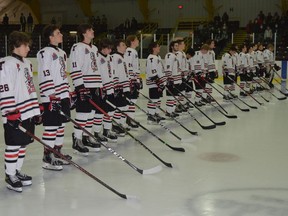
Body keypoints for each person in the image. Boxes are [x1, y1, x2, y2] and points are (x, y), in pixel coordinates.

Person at [0, 31, 41, 192]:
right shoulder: (6, 63)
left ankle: (16, 171)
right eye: (26, 45)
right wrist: (10, 112)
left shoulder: (26, 63)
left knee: (23, 144)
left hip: (28, 111)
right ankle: (10, 175)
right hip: (15, 112)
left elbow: (30, 87)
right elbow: (4, 89)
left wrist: (36, 110)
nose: (28, 48)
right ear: (17, 45)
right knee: (13, 145)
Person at [37, 25, 72, 171]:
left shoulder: (63, 53)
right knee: (51, 126)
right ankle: (47, 157)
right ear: (51, 37)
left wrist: (69, 93)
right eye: (58, 33)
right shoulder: (44, 52)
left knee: (61, 125)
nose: (61, 35)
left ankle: (57, 153)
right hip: (52, 96)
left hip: (62, 95)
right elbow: (45, 72)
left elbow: (63, 75)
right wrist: (51, 95)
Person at [69, 24, 104, 155]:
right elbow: (74, 67)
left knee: (92, 114)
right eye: (90, 30)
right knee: (83, 113)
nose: (93, 31)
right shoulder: (77, 47)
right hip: (85, 85)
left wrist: (101, 85)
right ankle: (77, 139)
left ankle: (86, 136)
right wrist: (80, 87)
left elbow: (97, 68)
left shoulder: (94, 48)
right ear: (84, 33)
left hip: (95, 85)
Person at [111, 39, 130, 133]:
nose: (125, 46)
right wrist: (116, 84)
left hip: (124, 85)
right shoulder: (115, 57)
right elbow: (113, 72)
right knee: (120, 106)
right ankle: (115, 125)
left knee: (124, 106)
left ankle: (120, 123)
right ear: (117, 47)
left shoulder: (122, 57)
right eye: (123, 45)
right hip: (119, 86)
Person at [145, 41, 166, 124]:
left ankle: (156, 113)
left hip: (158, 82)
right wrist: (158, 82)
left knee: (158, 99)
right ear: (153, 48)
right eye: (157, 46)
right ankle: (150, 116)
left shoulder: (157, 57)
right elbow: (152, 72)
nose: (159, 48)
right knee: (153, 99)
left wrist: (163, 81)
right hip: (154, 82)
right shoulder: (152, 58)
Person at [124, 35, 141, 129]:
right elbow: (128, 65)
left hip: (134, 79)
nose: (138, 41)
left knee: (133, 100)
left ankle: (130, 118)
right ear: (132, 41)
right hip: (131, 80)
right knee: (130, 100)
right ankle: (129, 118)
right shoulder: (130, 51)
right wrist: (132, 79)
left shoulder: (132, 51)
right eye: (137, 39)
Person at [164, 41, 180, 118]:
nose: (177, 47)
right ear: (171, 47)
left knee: (175, 97)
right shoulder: (170, 55)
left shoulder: (175, 55)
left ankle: (172, 111)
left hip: (176, 79)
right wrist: (169, 78)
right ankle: (169, 111)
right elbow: (168, 67)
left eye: (177, 45)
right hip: (172, 80)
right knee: (171, 97)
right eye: (175, 46)